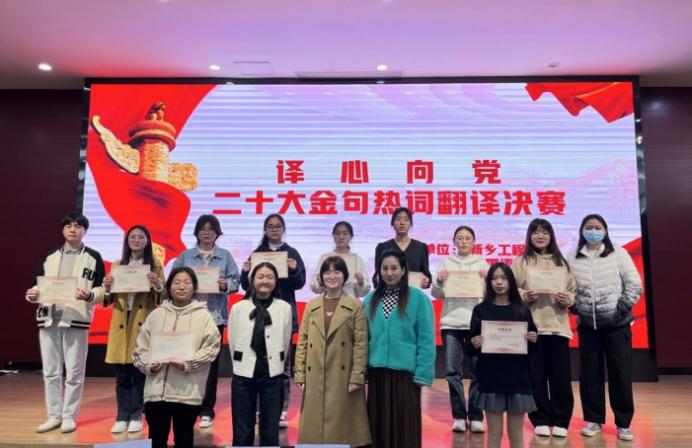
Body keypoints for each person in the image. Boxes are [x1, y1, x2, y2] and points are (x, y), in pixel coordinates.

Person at [25, 212, 105, 434]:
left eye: (78, 226)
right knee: (50, 371)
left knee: (75, 372)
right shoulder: (49, 256)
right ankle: (54, 415)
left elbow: (102, 289)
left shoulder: (93, 257)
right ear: (62, 230)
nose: (73, 229)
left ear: (85, 231)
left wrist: (89, 295)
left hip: (77, 318)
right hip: (48, 318)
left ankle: (69, 416)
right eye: (69, 226)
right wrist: (31, 294)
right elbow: (35, 285)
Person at [568, 214, 642, 442]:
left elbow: (634, 284)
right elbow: (567, 286)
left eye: (597, 227)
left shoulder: (618, 253)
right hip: (588, 326)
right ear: (582, 231)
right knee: (590, 375)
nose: (593, 231)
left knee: (620, 375)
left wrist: (622, 308)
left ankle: (623, 423)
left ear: (605, 230)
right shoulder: (572, 256)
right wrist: (574, 306)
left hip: (616, 325)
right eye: (588, 227)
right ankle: (593, 419)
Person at [133, 267, 221, 448]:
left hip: (187, 394)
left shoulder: (203, 317)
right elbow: (140, 349)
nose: (181, 287)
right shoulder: (156, 315)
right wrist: (149, 365)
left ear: (194, 287)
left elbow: (212, 348)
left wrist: (187, 363)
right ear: (169, 286)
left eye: (187, 283)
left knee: (184, 440)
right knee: (156, 440)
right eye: (177, 282)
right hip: (156, 394)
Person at [171, 214, 239, 428]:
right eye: (203, 229)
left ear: (217, 233)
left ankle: (207, 409)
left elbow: (236, 282)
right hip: (188, 315)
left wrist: (225, 285)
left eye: (211, 229)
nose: (207, 232)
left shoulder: (225, 256)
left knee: (210, 364)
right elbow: (173, 281)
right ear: (197, 232)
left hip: (214, 316)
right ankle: (188, 405)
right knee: (186, 361)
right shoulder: (186, 256)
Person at [511, 218, 576, 438]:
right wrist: (524, 295)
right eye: (536, 232)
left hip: (558, 327)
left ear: (551, 236)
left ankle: (561, 420)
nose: (540, 236)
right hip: (531, 329)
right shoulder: (521, 261)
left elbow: (573, 291)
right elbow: (510, 290)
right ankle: (539, 418)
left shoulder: (561, 262)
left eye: (545, 232)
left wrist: (568, 298)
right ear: (529, 236)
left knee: (561, 377)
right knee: (535, 377)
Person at [295, 256, 370, 447]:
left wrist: (357, 376)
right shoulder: (312, 305)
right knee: (313, 428)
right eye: (327, 272)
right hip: (315, 373)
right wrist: (300, 373)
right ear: (321, 277)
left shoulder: (355, 305)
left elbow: (361, 343)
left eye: (337, 272)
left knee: (342, 429)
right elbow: (303, 341)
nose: (332, 276)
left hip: (343, 376)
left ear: (345, 276)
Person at [363, 249, 435, 448]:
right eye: (384, 268)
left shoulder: (419, 298)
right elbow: (364, 338)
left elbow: (426, 340)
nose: (389, 273)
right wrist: (362, 369)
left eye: (394, 268)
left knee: (404, 428)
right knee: (377, 427)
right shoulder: (370, 300)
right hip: (377, 374)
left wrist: (423, 374)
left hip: (406, 376)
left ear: (403, 270)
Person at [240, 213, 306, 427]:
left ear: (283, 229)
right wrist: (245, 272)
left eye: (278, 226)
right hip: (258, 315)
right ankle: (258, 409)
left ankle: (281, 409)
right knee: (257, 364)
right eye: (270, 226)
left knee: (282, 365)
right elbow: (246, 286)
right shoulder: (258, 253)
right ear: (265, 229)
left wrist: (294, 270)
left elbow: (300, 283)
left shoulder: (292, 252)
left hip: (283, 315)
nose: (274, 229)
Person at [102, 225, 166, 434]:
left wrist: (157, 283)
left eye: (141, 237)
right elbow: (108, 298)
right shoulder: (118, 264)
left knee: (139, 374)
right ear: (127, 241)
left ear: (148, 241)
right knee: (122, 375)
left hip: (143, 321)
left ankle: (137, 414)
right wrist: (107, 287)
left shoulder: (155, 265)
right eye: (132, 237)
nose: (136, 240)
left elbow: (164, 297)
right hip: (121, 320)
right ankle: (122, 416)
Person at [467, 262, 539, 448]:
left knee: (517, 437)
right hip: (491, 379)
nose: (499, 282)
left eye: (504, 278)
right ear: (489, 282)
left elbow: (534, 348)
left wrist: (533, 339)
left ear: (511, 281)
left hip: (518, 379)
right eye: (494, 278)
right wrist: (475, 343)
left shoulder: (522, 309)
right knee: (494, 435)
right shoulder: (481, 310)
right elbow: (470, 348)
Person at [431, 225, 488, 433]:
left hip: (475, 324)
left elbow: (489, 294)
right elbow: (437, 294)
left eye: (467, 238)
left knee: (478, 372)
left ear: (474, 241)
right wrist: (439, 281)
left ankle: (476, 416)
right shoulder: (447, 262)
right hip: (451, 322)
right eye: (460, 238)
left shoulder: (482, 263)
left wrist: (486, 280)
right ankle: (459, 415)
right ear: (454, 241)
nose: (463, 241)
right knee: (452, 372)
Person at [229, 262, 292, 447]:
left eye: (270, 277)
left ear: (276, 281)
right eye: (260, 276)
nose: (265, 281)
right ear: (252, 280)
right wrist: (242, 363)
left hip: (273, 373)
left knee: (270, 429)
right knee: (242, 429)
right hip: (243, 373)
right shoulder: (238, 307)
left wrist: (276, 362)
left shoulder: (284, 307)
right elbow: (232, 340)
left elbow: (286, 338)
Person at [373, 207, 431, 289]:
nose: (402, 223)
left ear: (411, 224)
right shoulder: (383, 247)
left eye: (406, 219)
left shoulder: (421, 247)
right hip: (389, 293)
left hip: (413, 292)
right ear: (392, 223)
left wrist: (426, 282)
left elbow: (427, 276)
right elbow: (376, 276)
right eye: (398, 219)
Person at [310, 221, 371, 298]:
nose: (341, 237)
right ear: (333, 236)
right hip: (329, 301)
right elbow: (315, 288)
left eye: (345, 233)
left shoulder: (357, 259)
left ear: (351, 236)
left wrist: (361, 283)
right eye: (337, 233)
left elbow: (363, 292)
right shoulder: (325, 258)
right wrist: (320, 283)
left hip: (350, 302)